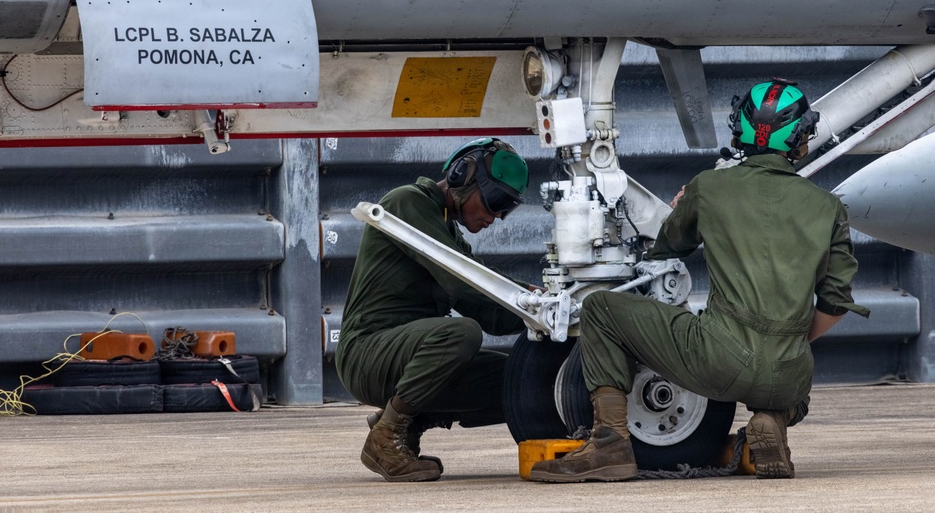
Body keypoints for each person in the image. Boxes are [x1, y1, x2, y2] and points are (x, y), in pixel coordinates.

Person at [529, 79, 869, 483]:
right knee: (791, 380)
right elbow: (835, 303)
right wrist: (787, 343)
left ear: (739, 132)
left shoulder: (710, 187)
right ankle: (773, 419)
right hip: (789, 372)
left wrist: (683, 208)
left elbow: (666, 249)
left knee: (601, 309)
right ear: (801, 140)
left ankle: (610, 444)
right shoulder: (828, 208)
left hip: (717, 359)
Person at [336, 137, 531, 482]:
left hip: (407, 354)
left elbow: (491, 313)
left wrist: (542, 310)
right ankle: (386, 436)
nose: (497, 217)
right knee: (461, 333)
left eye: (507, 208)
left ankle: (410, 422)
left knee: (523, 380)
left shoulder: (447, 231)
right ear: (462, 175)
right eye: (496, 201)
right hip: (367, 352)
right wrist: (524, 296)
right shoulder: (407, 202)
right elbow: (464, 284)